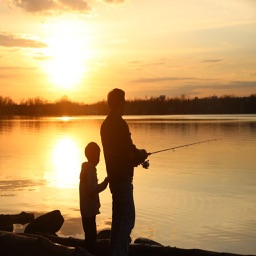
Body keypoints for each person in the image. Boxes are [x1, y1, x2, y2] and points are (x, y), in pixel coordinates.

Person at [100, 88, 148, 256]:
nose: (126, 103)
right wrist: (141, 154)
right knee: (128, 218)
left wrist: (138, 158)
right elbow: (128, 152)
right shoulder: (119, 124)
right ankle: (120, 253)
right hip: (122, 179)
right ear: (120, 102)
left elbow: (122, 152)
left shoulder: (106, 124)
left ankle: (114, 251)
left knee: (118, 220)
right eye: (124, 100)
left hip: (114, 178)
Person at [79, 142, 108, 253]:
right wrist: (105, 183)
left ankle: (88, 250)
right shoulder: (90, 169)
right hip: (89, 209)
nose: (99, 158)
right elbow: (92, 189)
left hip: (85, 208)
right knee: (91, 236)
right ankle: (89, 252)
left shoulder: (85, 168)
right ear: (93, 156)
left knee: (89, 234)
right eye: (98, 155)